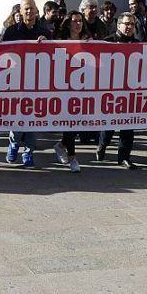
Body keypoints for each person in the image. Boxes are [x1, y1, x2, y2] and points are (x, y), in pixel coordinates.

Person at [2, 0, 51, 168]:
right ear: (20, 12)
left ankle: (29, 151)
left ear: (37, 11)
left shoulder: (45, 32)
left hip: (36, 82)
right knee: (17, 116)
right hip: (16, 81)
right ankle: (14, 143)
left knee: (32, 118)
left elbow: (54, 55)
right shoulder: (10, 32)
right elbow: (2, 54)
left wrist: (46, 44)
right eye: (25, 9)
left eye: (31, 9)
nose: (29, 12)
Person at [97, 12, 140, 169]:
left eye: (132, 24)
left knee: (128, 125)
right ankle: (102, 145)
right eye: (126, 24)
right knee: (109, 124)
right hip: (110, 90)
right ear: (119, 25)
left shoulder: (138, 44)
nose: (129, 27)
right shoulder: (107, 42)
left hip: (130, 90)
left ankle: (124, 157)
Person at [53, 10, 93, 172]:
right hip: (65, 85)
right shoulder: (60, 41)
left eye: (80, 21)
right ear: (69, 23)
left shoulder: (87, 41)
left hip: (82, 86)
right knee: (70, 122)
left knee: (77, 123)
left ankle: (61, 145)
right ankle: (72, 157)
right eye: (75, 21)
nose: (78, 24)